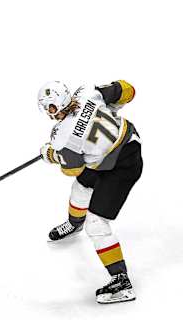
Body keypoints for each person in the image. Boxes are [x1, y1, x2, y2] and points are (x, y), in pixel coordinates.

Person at [38, 80, 143, 304]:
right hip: (124, 148)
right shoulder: (87, 92)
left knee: (96, 224)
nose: (50, 113)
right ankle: (74, 223)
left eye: (50, 108)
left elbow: (72, 168)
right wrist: (109, 109)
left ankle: (122, 281)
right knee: (81, 186)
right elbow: (127, 90)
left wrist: (53, 155)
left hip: (122, 168)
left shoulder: (61, 137)